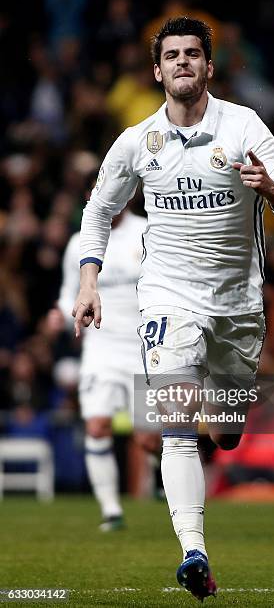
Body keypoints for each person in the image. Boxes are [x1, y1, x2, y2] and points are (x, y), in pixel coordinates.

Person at [73, 17, 274, 600]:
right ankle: (193, 552)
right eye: (171, 55)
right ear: (157, 71)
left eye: (193, 54)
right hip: (168, 298)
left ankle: (226, 419)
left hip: (237, 305)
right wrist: (87, 281)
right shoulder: (135, 142)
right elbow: (98, 212)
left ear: (208, 66)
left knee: (225, 431)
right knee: (175, 425)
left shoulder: (244, 125)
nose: (182, 62)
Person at [49, 208, 147, 530]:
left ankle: (162, 480)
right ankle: (111, 511)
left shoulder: (148, 230)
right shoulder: (80, 241)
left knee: (149, 439)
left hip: (146, 345)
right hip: (101, 347)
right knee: (96, 425)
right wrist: (61, 316)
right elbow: (69, 297)